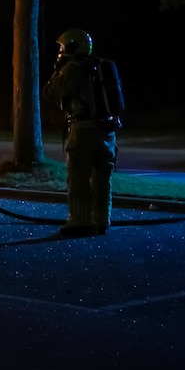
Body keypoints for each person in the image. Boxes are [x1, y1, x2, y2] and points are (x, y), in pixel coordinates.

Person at [44, 28, 121, 237]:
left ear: (72, 46)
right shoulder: (101, 65)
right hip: (108, 132)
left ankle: (79, 222)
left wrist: (57, 70)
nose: (60, 51)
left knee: (78, 178)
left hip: (83, 130)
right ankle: (101, 220)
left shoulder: (73, 68)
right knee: (102, 178)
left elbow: (50, 93)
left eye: (63, 47)